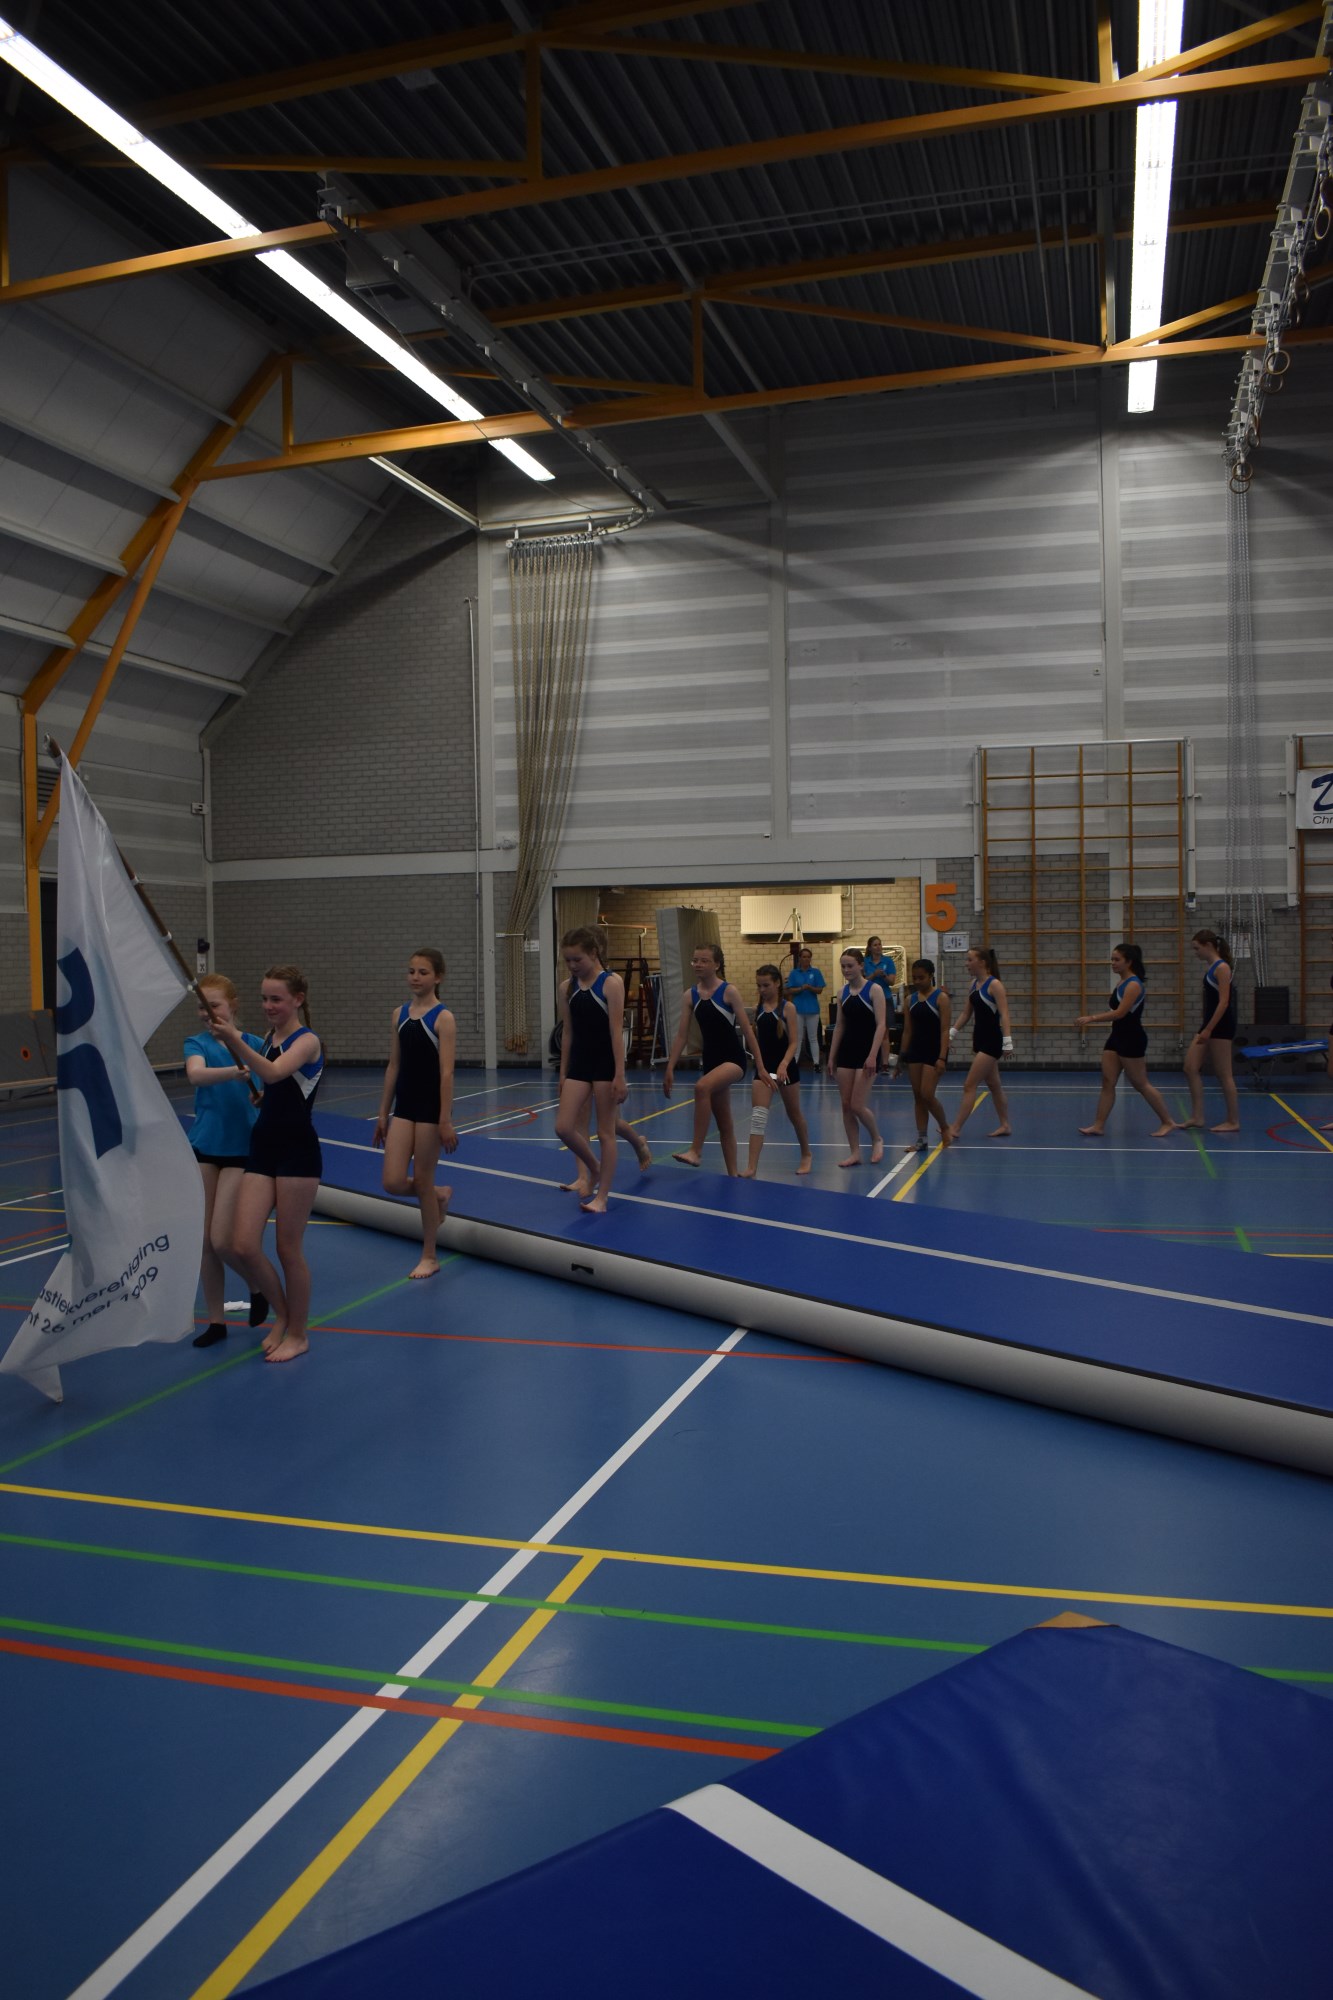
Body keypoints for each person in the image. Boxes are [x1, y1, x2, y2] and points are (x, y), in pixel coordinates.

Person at [214, 965, 323, 1365]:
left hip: (297, 1151)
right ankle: (282, 1314)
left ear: (298, 999)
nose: (268, 1006)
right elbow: (274, 1087)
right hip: (263, 1146)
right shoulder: (267, 1039)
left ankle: (298, 1333)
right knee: (243, 1243)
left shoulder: (307, 1041)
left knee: (287, 1248)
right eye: (264, 998)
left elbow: (276, 1072)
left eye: (276, 999)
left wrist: (233, 1039)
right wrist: (263, 1099)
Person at [183, 974, 267, 1348]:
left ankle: (256, 1285)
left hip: (240, 1149)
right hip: (205, 1147)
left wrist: (261, 1094)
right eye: (201, 1006)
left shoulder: (254, 1044)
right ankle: (216, 1321)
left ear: (232, 1005)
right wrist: (233, 1072)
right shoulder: (196, 1043)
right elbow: (196, 1075)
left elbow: (272, 1083)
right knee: (204, 1241)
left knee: (221, 1239)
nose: (206, 1012)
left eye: (213, 1005)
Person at [372, 948, 458, 1277]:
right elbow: (394, 1066)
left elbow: (447, 1073)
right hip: (404, 1106)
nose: (415, 978)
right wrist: (383, 1113)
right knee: (392, 1181)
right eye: (411, 971)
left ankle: (430, 1256)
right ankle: (438, 1195)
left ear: (438, 977)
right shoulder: (399, 1014)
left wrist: (445, 1119)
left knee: (422, 1178)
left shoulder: (443, 1018)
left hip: (430, 1108)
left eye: (423, 972)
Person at [553, 925, 652, 1200]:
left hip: (604, 1064)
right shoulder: (566, 987)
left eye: (577, 959)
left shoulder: (610, 983)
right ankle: (591, 1170)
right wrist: (563, 1073)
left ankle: (602, 1197)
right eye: (568, 960)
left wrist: (620, 1074)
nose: (572, 965)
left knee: (606, 1131)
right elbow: (568, 1032)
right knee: (564, 1127)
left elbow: (616, 1032)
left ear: (593, 953)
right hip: (579, 1063)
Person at [664, 942, 771, 1175]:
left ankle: (696, 1151)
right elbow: (682, 1035)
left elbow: (748, 1030)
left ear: (716, 965)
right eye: (695, 960)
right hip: (711, 1061)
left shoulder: (728, 991)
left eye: (704, 961)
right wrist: (670, 1067)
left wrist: (761, 1066)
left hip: (733, 1059)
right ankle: (733, 1174)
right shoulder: (690, 995)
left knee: (701, 1087)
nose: (698, 964)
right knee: (724, 1124)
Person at [1075, 943, 1178, 1138]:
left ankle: (1167, 1121)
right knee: (1107, 1081)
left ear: (1128, 962)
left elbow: (1120, 1013)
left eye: (1117, 960)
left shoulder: (1133, 984)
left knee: (1141, 1084)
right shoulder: (1121, 983)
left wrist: (1092, 1018)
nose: (1113, 963)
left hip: (1132, 1037)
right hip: (1117, 1037)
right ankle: (1098, 1125)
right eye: (1112, 959)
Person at [740, 963, 813, 1177]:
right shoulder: (759, 1009)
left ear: (777, 983)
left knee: (794, 1114)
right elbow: (756, 1041)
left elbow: (794, 1042)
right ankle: (752, 1167)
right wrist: (760, 1066)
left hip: (785, 1069)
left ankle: (806, 1154)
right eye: (759, 985)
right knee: (758, 1117)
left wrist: (784, 1064)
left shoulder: (787, 1008)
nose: (762, 989)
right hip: (765, 1070)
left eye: (766, 985)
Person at [826, 948, 886, 1167]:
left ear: (861, 965)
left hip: (867, 1053)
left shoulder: (874, 990)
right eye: (843, 966)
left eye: (850, 965)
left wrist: (873, 1055)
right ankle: (855, 1152)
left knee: (857, 1105)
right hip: (847, 1053)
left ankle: (877, 1138)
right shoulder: (842, 992)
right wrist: (831, 1056)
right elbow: (840, 1026)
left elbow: (881, 1025)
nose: (846, 970)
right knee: (846, 1105)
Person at [946, 947, 1013, 1141]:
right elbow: (966, 1013)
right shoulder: (974, 984)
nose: (966, 964)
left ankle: (955, 1128)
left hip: (992, 1041)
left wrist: (1007, 1042)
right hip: (980, 1039)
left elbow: (1004, 1014)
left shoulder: (995, 985)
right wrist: (951, 1033)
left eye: (970, 960)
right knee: (994, 1085)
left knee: (969, 1085)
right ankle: (1005, 1125)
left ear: (982, 962)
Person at [1183, 929, 1241, 1134]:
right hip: (1209, 1024)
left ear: (1208, 946)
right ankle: (1198, 1116)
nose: (1196, 953)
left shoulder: (1222, 968)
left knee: (1224, 1074)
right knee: (1190, 1067)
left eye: (1197, 948)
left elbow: (1224, 1002)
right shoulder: (1212, 968)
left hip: (1220, 1025)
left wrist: (1208, 1029)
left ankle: (1233, 1120)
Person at [897, 959, 951, 1153]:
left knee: (927, 1094)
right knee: (918, 1097)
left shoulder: (941, 998)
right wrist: (901, 1058)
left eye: (922, 977)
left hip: (934, 1052)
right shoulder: (909, 1000)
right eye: (915, 978)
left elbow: (945, 1030)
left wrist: (942, 1057)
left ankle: (945, 1127)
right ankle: (922, 1139)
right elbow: (907, 1031)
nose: (918, 981)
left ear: (931, 976)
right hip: (916, 1051)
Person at [786, 946, 826, 1070]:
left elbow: (820, 990)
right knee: (797, 1038)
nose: (806, 959)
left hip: (812, 1009)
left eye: (808, 957)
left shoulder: (816, 972)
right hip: (797, 1009)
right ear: (800, 958)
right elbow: (789, 990)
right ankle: (794, 1062)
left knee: (813, 1037)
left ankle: (816, 1063)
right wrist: (801, 988)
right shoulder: (794, 973)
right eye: (804, 957)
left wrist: (810, 988)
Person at [863, 935, 898, 1068]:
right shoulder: (865, 962)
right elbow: (863, 981)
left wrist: (884, 976)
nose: (878, 947)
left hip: (885, 998)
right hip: (869, 999)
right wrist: (874, 974)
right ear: (870, 948)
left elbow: (892, 981)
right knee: (868, 1031)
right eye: (875, 945)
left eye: (879, 944)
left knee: (884, 1032)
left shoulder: (888, 961)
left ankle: (884, 1063)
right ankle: (869, 1060)